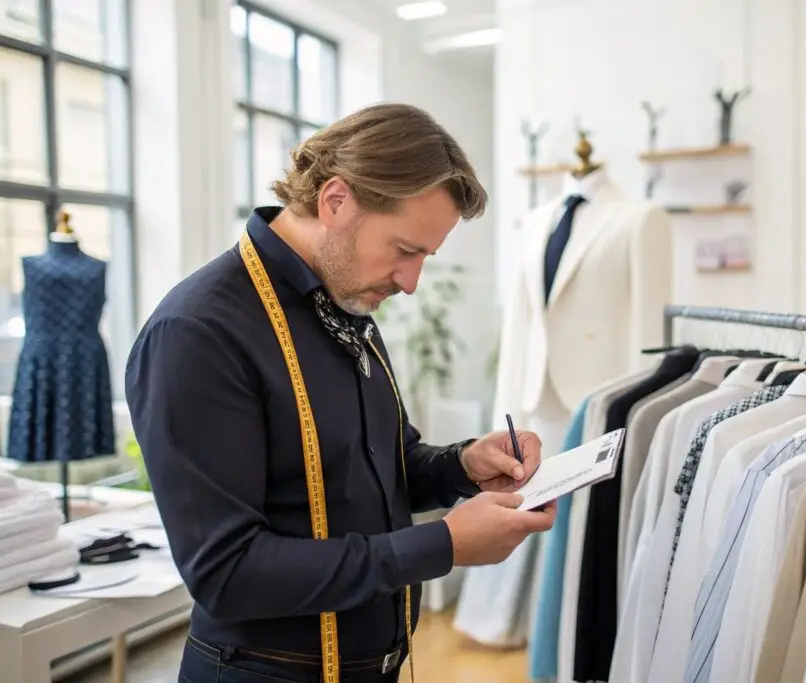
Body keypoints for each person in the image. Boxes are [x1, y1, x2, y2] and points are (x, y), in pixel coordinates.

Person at [125, 102, 557, 683]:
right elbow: (227, 572)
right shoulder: (199, 332)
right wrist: (442, 545)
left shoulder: (341, 302)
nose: (411, 283)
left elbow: (380, 465)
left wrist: (463, 465)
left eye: (424, 258)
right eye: (405, 251)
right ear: (336, 201)